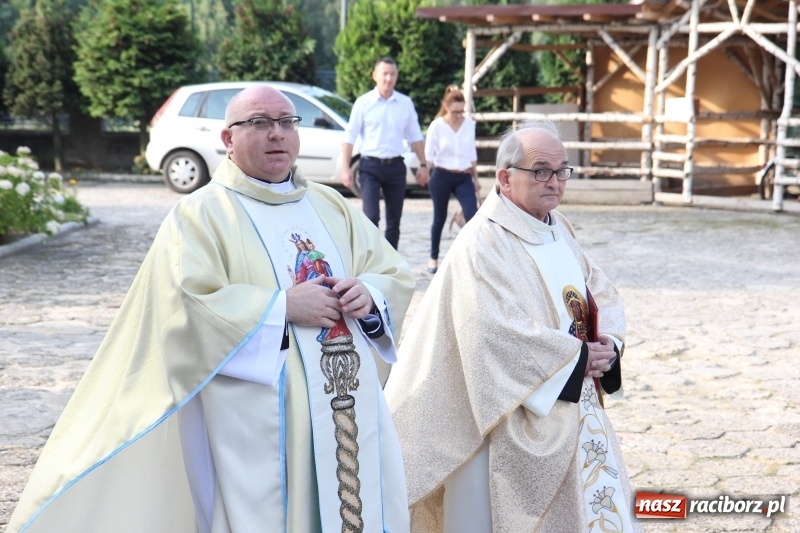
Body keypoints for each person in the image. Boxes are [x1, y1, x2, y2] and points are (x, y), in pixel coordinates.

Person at [8, 85, 415, 533]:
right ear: (228, 139)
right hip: (258, 418)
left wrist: (369, 296)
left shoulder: (330, 205)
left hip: (345, 399)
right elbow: (185, 305)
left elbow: (390, 272)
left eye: (286, 122)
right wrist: (280, 308)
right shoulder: (200, 214)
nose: (276, 134)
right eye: (259, 123)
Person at [385, 121, 641, 532]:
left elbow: (600, 292)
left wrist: (609, 342)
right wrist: (575, 359)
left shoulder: (558, 228)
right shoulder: (482, 242)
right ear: (504, 178)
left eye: (562, 171)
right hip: (508, 414)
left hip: (578, 402)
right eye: (540, 170)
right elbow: (489, 330)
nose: (554, 182)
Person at [341, 56, 428, 250]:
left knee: (394, 220)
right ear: (375, 76)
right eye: (385, 74)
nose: (388, 78)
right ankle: (371, 260)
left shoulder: (405, 103)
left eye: (393, 74)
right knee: (370, 217)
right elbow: (349, 137)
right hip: (370, 166)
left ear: (397, 76)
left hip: (396, 166)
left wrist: (424, 165)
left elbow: (415, 136)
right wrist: (345, 167)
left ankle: (390, 263)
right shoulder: (363, 103)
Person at [424, 85, 480, 274]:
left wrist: (476, 178)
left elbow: (472, 153)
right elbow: (429, 155)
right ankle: (433, 257)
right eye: (455, 111)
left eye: (461, 111)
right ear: (446, 107)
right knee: (439, 218)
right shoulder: (437, 126)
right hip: (441, 175)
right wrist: (426, 173)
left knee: (473, 216)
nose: (459, 115)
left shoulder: (469, 124)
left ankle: (471, 258)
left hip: (463, 176)